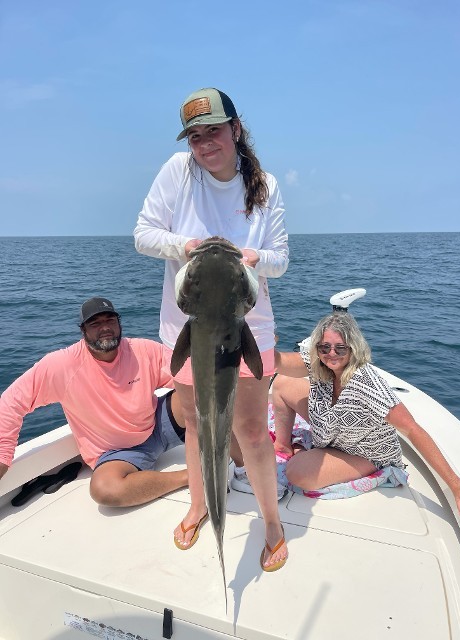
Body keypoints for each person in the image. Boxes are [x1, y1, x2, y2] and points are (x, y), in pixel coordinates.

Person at [134, 87, 289, 571]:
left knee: (249, 429)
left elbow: (281, 260)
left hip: (249, 326)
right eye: (195, 137)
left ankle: (271, 521)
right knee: (199, 424)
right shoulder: (176, 173)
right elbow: (143, 234)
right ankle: (199, 505)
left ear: (236, 130)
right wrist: (186, 245)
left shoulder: (264, 185)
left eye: (214, 131)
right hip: (188, 327)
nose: (204, 144)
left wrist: (255, 258)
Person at [273, 312, 460, 512]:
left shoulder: (366, 383)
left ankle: (366, 467)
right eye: (325, 347)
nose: (331, 354)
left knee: (297, 472)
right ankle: (283, 445)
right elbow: (278, 363)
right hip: (330, 427)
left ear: (353, 349)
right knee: (282, 384)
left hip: (362, 452)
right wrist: (261, 342)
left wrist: (455, 482)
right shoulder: (320, 363)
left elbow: (412, 429)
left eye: (340, 348)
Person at [0, 297, 188, 507]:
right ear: (83, 331)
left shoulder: (142, 350)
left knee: (200, 390)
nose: (105, 328)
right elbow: (11, 401)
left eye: (110, 320)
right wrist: (3, 455)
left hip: (158, 426)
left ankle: (227, 456)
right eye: (95, 324)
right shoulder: (62, 365)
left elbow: (186, 372)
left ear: (119, 323)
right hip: (118, 453)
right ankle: (189, 477)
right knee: (105, 490)